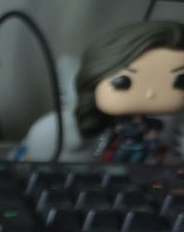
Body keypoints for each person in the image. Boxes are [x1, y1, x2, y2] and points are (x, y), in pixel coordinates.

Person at [74, 20, 184, 164]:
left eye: (180, 81)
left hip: (142, 153)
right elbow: (107, 139)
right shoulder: (115, 124)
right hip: (121, 151)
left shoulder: (154, 124)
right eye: (122, 81)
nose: (150, 93)